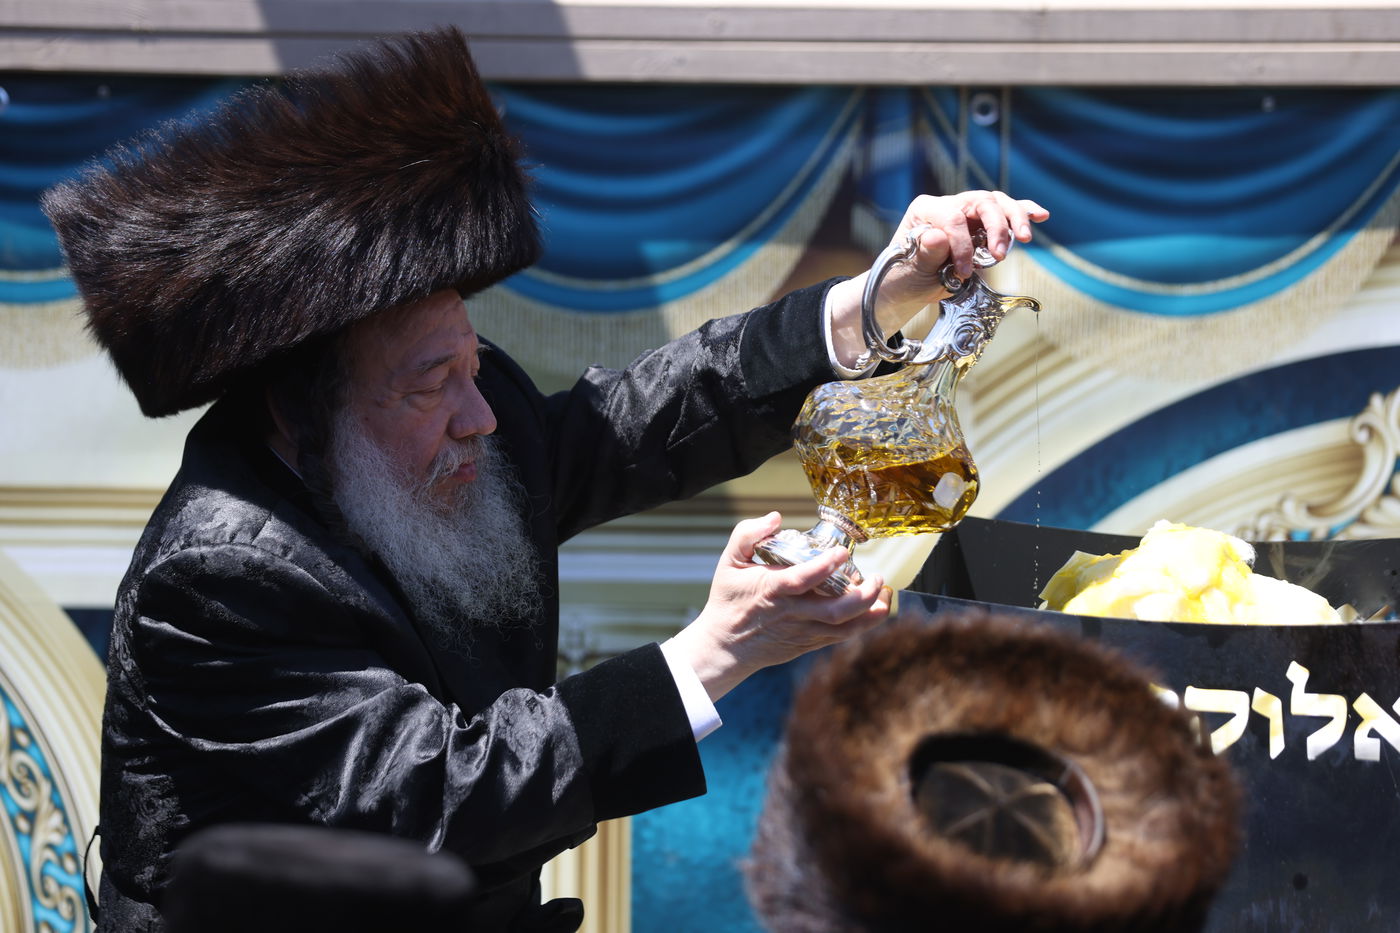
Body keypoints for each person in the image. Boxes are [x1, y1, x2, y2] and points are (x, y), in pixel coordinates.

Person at [42, 26, 1048, 933]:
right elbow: (436, 799)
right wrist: (712, 653)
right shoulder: (217, 581)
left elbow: (647, 417)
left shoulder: (469, 415)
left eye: (468, 364)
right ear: (298, 414)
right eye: (428, 386)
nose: (478, 415)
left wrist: (880, 294)